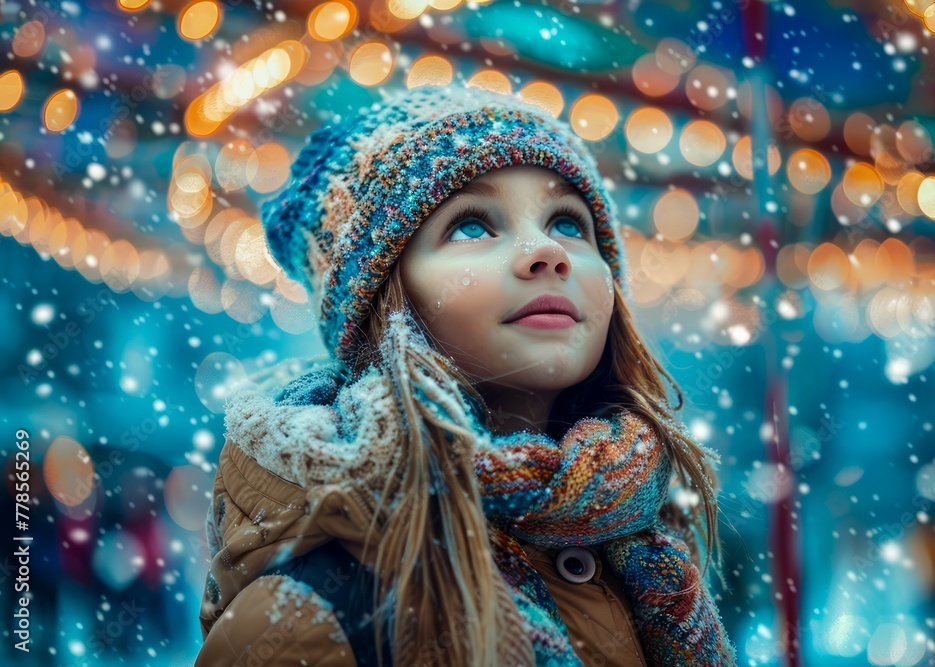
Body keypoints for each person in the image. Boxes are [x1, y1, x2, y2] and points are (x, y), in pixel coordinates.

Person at [196, 84, 737, 667]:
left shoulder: (647, 541)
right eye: (473, 226)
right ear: (385, 303)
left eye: (568, 224)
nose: (546, 252)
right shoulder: (311, 615)